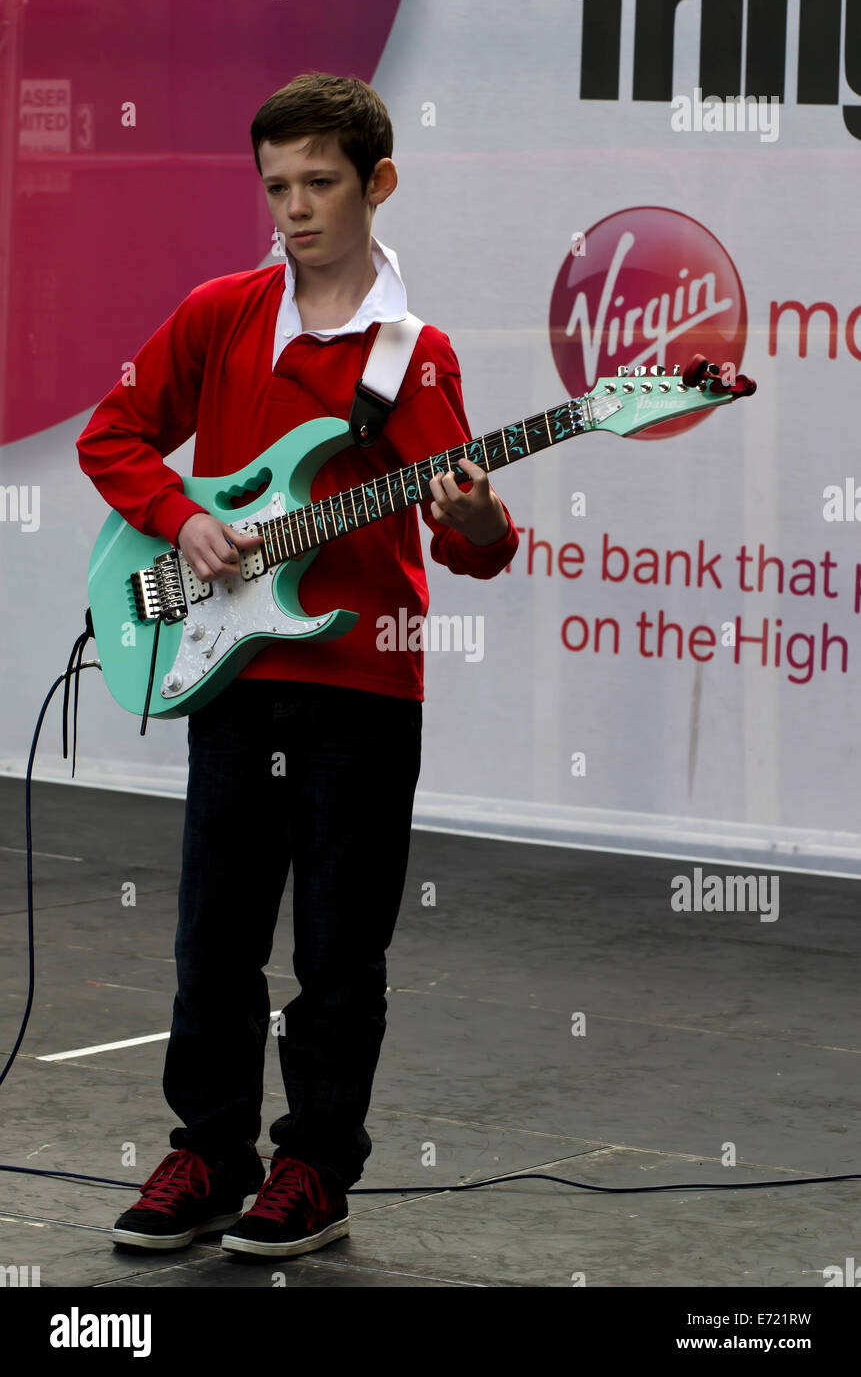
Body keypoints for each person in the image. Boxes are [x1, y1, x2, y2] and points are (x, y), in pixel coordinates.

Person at [77, 72, 519, 1261]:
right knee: (213, 938)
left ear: (377, 182)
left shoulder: (413, 361)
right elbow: (109, 434)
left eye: (320, 183)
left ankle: (315, 1167)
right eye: (276, 186)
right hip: (231, 673)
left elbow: (472, 548)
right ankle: (209, 1154)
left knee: (336, 948)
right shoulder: (220, 311)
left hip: (364, 685)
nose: (295, 209)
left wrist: (475, 516)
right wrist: (180, 519)